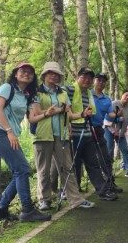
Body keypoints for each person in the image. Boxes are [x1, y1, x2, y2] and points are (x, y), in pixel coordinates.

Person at [0, 63, 51, 222]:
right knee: (22, 169)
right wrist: (9, 131)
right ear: (16, 73)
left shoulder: (26, 94)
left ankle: (1, 209)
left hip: (7, 133)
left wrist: (50, 112)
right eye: (23, 71)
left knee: (21, 170)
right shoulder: (7, 87)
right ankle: (27, 210)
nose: (26, 74)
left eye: (30, 73)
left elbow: (34, 115)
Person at [29, 62, 94, 210]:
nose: (54, 75)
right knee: (43, 170)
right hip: (42, 136)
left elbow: (69, 115)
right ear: (44, 75)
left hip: (62, 136)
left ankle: (75, 199)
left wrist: (82, 114)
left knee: (67, 168)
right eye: (50, 72)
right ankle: (44, 200)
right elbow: (36, 114)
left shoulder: (63, 93)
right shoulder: (36, 93)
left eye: (56, 74)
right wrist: (55, 111)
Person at [65, 67, 117, 201]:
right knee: (74, 165)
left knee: (93, 163)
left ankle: (103, 191)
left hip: (88, 132)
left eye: (89, 78)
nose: (87, 80)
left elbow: (92, 113)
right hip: (72, 134)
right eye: (84, 77)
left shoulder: (88, 94)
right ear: (77, 77)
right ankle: (72, 194)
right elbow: (67, 114)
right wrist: (81, 114)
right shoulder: (69, 90)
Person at [91, 73, 123, 193]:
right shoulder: (87, 94)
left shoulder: (107, 99)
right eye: (99, 80)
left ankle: (110, 183)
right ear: (94, 81)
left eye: (103, 81)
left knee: (105, 157)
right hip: (86, 128)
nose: (101, 82)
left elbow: (110, 115)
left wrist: (118, 115)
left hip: (99, 129)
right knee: (89, 160)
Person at [104, 89, 128, 177]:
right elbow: (106, 117)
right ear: (122, 95)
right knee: (109, 150)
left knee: (125, 150)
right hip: (110, 129)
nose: (127, 98)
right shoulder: (113, 103)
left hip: (120, 132)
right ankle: (107, 172)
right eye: (126, 95)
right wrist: (117, 119)